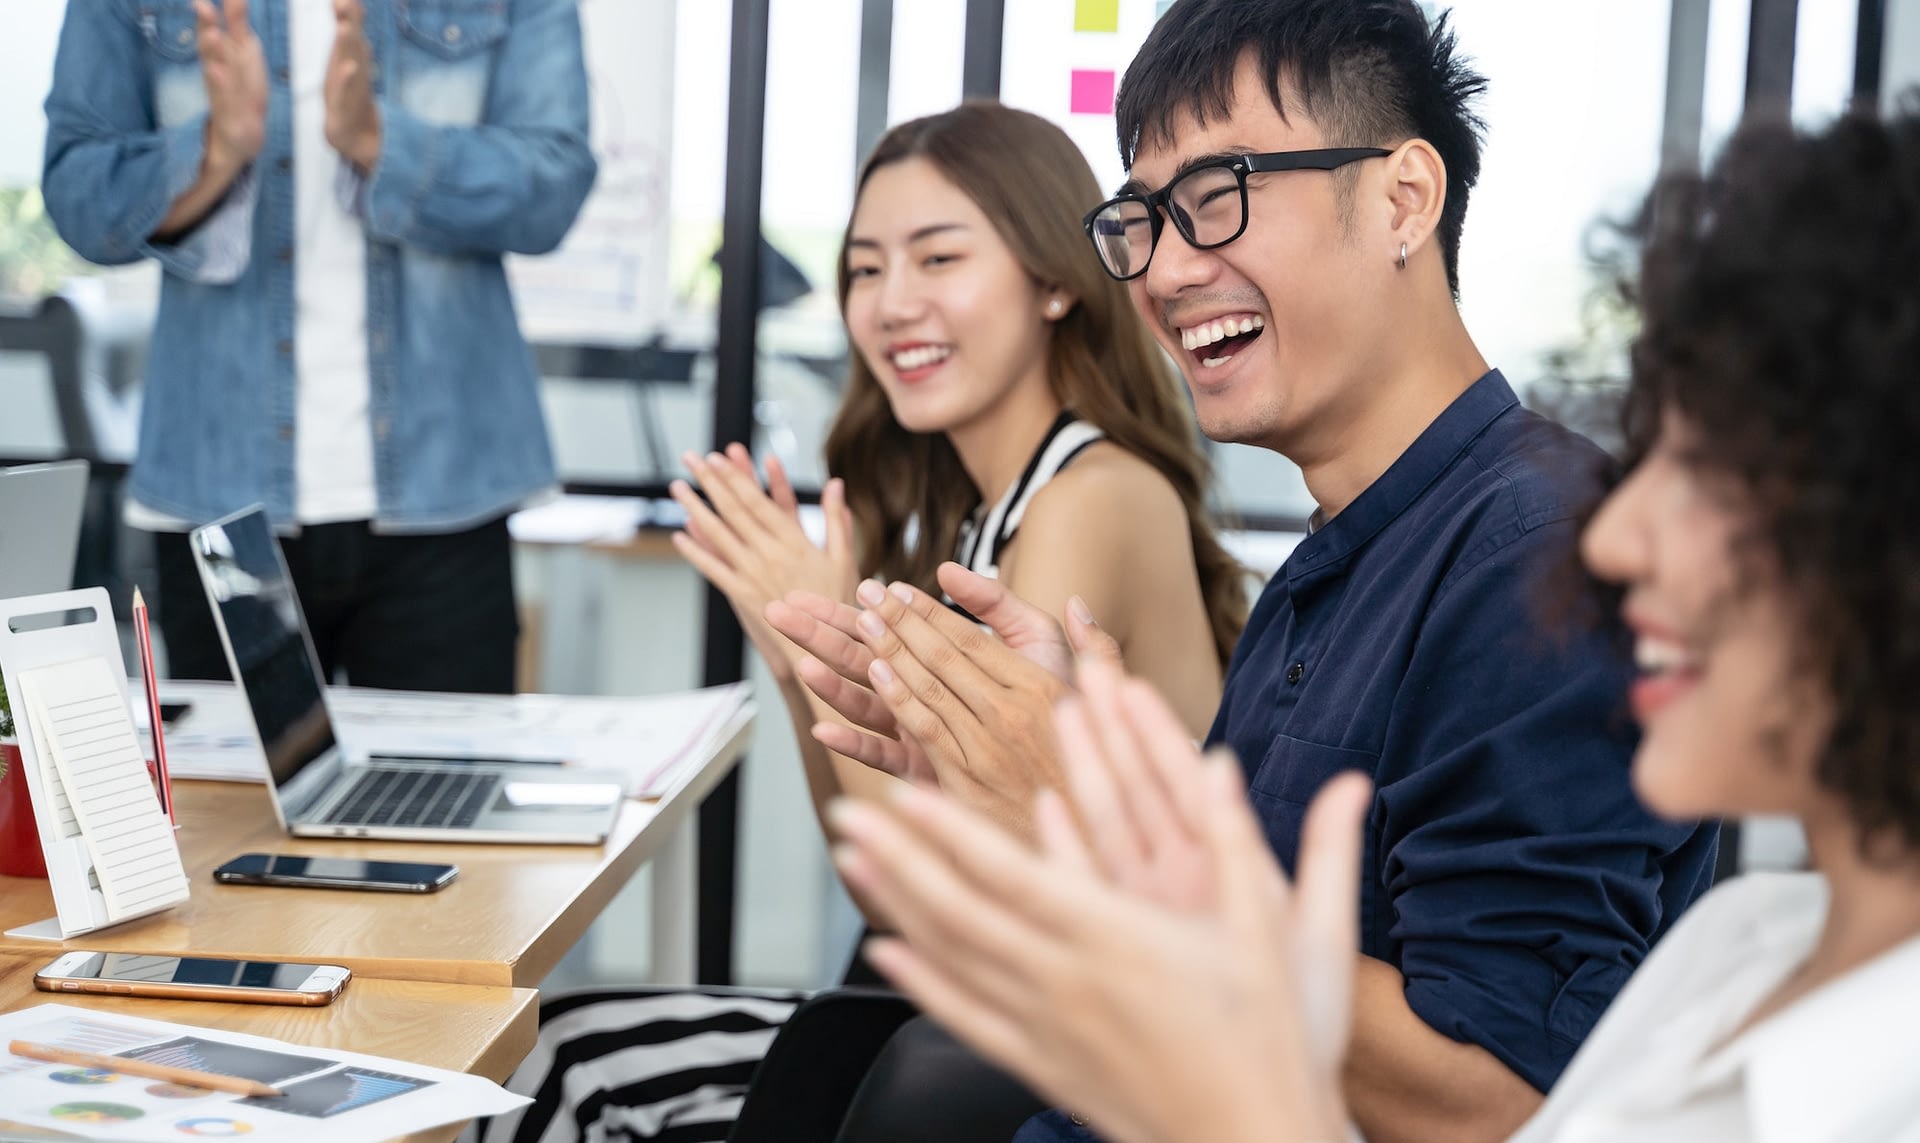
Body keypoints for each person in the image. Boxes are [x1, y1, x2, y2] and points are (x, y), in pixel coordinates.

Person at [826, 107, 1920, 1143]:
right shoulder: (1743, 950)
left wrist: (1114, 838)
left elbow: (1490, 1098)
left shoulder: (1526, 541)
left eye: (1219, 195)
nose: (1163, 270)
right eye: (1149, 219)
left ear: (1406, 200)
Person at [481, 101, 1247, 1143]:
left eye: (938, 259)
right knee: (544, 1056)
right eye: (866, 269)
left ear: (1058, 281)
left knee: (550, 1068)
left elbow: (932, 897)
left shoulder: (1090, 494)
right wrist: (802, 652)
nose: (890, 305)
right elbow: (885, 893)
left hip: (1065, 1065)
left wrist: (822, 634)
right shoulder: (990, 506)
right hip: (974, 1021)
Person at [42, 0, 595, 694]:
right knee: (239, 802)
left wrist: (378, 139)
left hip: (447, 496)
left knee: (434, 800)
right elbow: (76, 195)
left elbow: (555, 183)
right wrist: (217, 150)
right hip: (217, 499)